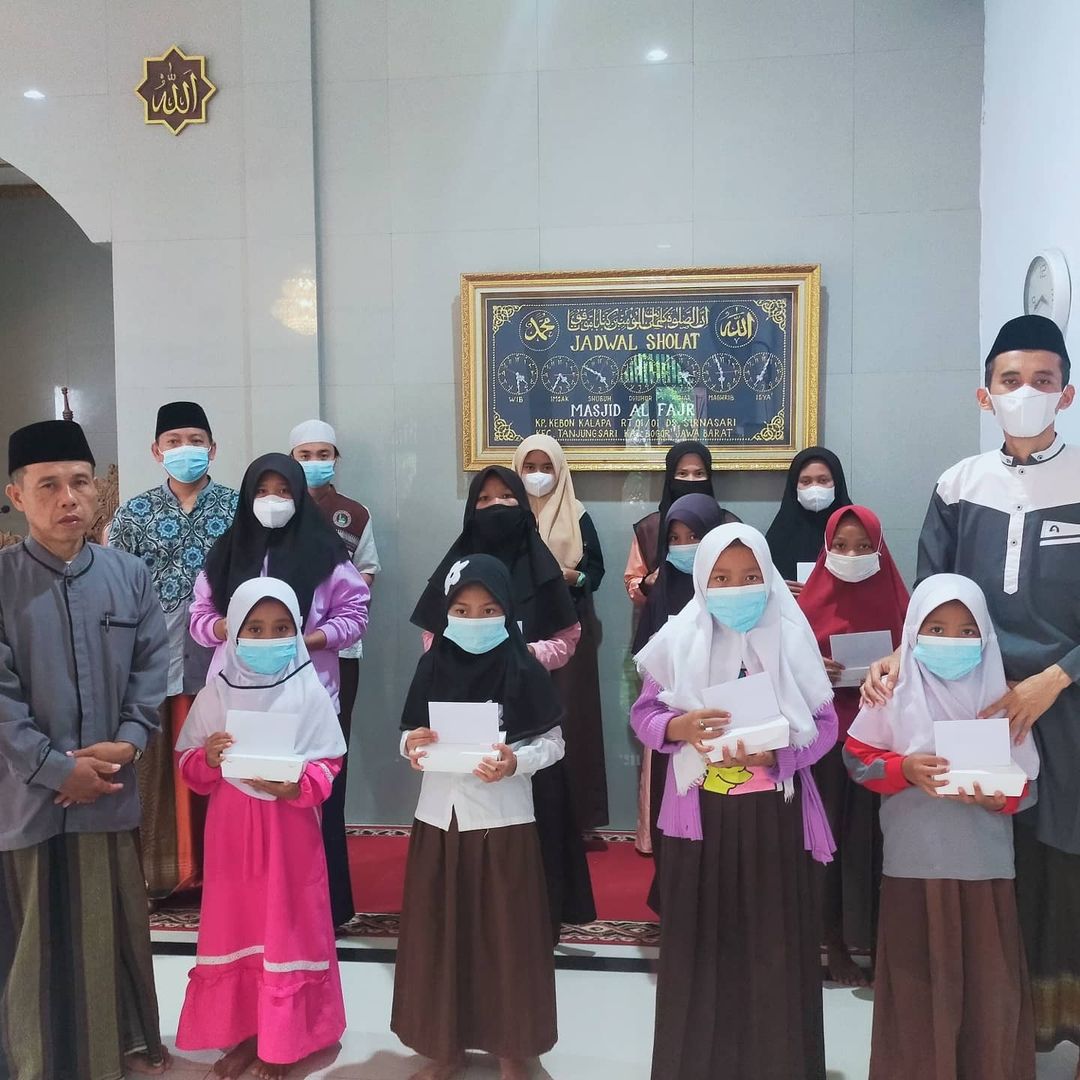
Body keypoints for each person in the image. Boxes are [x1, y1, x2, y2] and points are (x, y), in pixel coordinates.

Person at [862, 314, 1080, 1065]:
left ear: (1067, 393)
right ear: (985, 394)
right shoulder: (959, 485)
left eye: (1043, 381)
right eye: (1011, 380)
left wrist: (1054, 678)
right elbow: (933, 592)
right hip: (974, 704)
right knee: (988, 859)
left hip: (1066, 701)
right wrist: (899, 652)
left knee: (1063, 865)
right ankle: (995, 1040)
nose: (1026, 393)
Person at [631, 523, 837, 1079]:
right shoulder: (679, 637)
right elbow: (644, 716)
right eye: (721, 578)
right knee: (702, 946)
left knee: (773, 946)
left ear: (768, 578)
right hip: (701, 821)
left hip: (775, 820)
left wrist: (779, 756)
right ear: (703, 580)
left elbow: (825, 726)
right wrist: (680, 726)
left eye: (749, 577)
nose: (736, 588)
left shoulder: (791, 637)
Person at [0, 420, 170, 1079]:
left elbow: (152, 670)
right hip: (27, 794)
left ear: (98, 490)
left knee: (108, 922)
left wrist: (130, 742)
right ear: (17, 496)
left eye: (80, 482)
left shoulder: (130, 576)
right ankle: (33, 1059)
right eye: (48, 485)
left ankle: (113, 1049)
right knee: (33, 930)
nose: (68, 497)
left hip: (109, 786)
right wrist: (54, 769)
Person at [846, 574, 1038, 1079]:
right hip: (914, 867)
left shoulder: (1002, 701)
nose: (951, 641)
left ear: (986, 637)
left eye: (966, 631)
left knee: (988, 991)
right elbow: (857, 760)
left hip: (984, 870)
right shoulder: (891, 693)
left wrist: (999, 798)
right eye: (936, 628)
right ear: (912, 631)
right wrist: (904, 769)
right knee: (917, 990)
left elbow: (1028, 787)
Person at [394, 556, 561, 1080]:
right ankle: (445, 1048)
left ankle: (515, 1051)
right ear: (446, 612)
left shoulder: (524, 667)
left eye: (489, 609)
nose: (475, 619)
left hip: (502, 821)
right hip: (439, 819)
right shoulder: (432, 665)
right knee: (440, 936)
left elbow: (552, 742)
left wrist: (516, 761)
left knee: (508, 940)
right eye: (462, 610)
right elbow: (408, 733)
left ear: (508, 609)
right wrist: (411, 744)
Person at [174, 578, 347, 1080]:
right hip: (232, 835)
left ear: (297, 631)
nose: (268, 638)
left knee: (287, 927)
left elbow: (329, 762)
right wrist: (208, 758)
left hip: (290, 834)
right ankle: (248, 1033)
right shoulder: (216, 693)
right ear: (233, 631)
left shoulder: (308, 691)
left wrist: (298, 786)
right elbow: (189, 764)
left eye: (280, 628)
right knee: (239, 925)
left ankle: (285, 1043)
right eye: (254, 628)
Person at [411, 466, 595, 936]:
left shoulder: (541, 566)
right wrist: (461, 652)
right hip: (458, 701)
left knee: (535, 813)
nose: (496, 507)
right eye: (485, 499)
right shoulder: (453, 566)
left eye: (506, 497)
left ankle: (537, 919)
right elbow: (432, 635)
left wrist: (520, 654)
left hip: (523, 706)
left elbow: (568, 638)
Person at [190, 453, 369, 929]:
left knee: (311, 796)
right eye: (263, 491)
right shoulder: (226, 552)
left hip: (308, 693)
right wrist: (228, 628)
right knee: (243, 798)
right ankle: (248, 914)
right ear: (248, 497)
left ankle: (320, 910)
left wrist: (309, 640)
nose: (273, 501)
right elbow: (199, 618)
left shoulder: (326, 553)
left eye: (284, 491)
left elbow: (355, 615)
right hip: (237, 695)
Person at [108, 400, 239, 898]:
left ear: (213, 448)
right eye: (174, 442)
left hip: (220, 657)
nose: (186, 449)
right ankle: (160, 874)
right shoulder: (133, 513)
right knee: (155, 764)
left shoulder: (237, 509)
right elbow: (114, 587)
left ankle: (221, 874)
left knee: (219, 755)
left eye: (196, 441)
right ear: (156, 450)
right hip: (152, 655)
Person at [797, 505, 909, 985]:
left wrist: (895, 668)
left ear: (880, 548)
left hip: (882, 739)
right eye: (841, 546)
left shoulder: (901, 600)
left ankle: (883, 942)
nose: (852, 554)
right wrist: (810, 670)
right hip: (825, 740)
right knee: (830, 843)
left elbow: (922, 658)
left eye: (864, 546)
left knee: (881, 843)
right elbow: (777, 668)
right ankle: (834, 940)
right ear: (826, 548)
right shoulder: (805, 607)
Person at [289, 419, 380, 924]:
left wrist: (330, 614)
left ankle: (334, 897)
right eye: (305, 454)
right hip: (280, 658)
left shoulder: (355, 514)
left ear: (336, 459)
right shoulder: (273, 510)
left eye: (323, 454)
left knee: (329, 769)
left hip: (339, 654)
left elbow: (365, 577)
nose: (315, 463)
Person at [511, 434, 607, 833]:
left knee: (568, 716)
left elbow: (595, 572)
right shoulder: (507, 512)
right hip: (517, 627)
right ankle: (521, 815)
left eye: (546, 467)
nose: (538, 475)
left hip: (568, 625)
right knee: (521, 716)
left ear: (560, 470)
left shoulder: (577, 514)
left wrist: (572, 576)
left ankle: (573, 820)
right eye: (530, 467)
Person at [630, 492, 727, 873]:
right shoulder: (663, 588)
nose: (684, 547)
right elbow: (647, 675)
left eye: (694, 536)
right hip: (676, 728)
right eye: (675, 538)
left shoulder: (739, 597)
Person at [623, 440, 738, 610]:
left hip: (719, 618)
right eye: (682, 474)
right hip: (661, 620)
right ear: (670, 478)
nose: (691, 480)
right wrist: (648, 582)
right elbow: (633, 582)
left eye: (699, 474)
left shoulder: (728, 525)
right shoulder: (649, 529)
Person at [765, 446, 853, 592]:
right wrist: (779, 589)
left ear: (837, 483)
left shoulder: (853, 528)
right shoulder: (780, 533)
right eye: (806, 481)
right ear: (794, 485)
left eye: (823, 480)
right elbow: (763, 579)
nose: (815, 488)